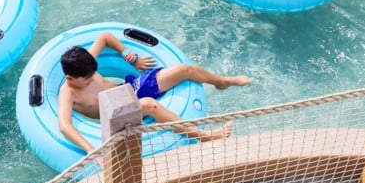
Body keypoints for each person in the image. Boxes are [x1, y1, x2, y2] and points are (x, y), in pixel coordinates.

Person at [57, 31, 252, 156]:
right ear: (70, 78)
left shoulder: (85, 64)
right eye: (88, 79)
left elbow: (105, 37)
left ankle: (223, 81)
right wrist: (90, 149)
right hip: (115, 112)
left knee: (183, 69)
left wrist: (130, 57)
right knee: (149, 104)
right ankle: (202, 135)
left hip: (129, 89)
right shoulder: (68, 94)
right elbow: (64, 126)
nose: (93, 78)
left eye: (93, 75)